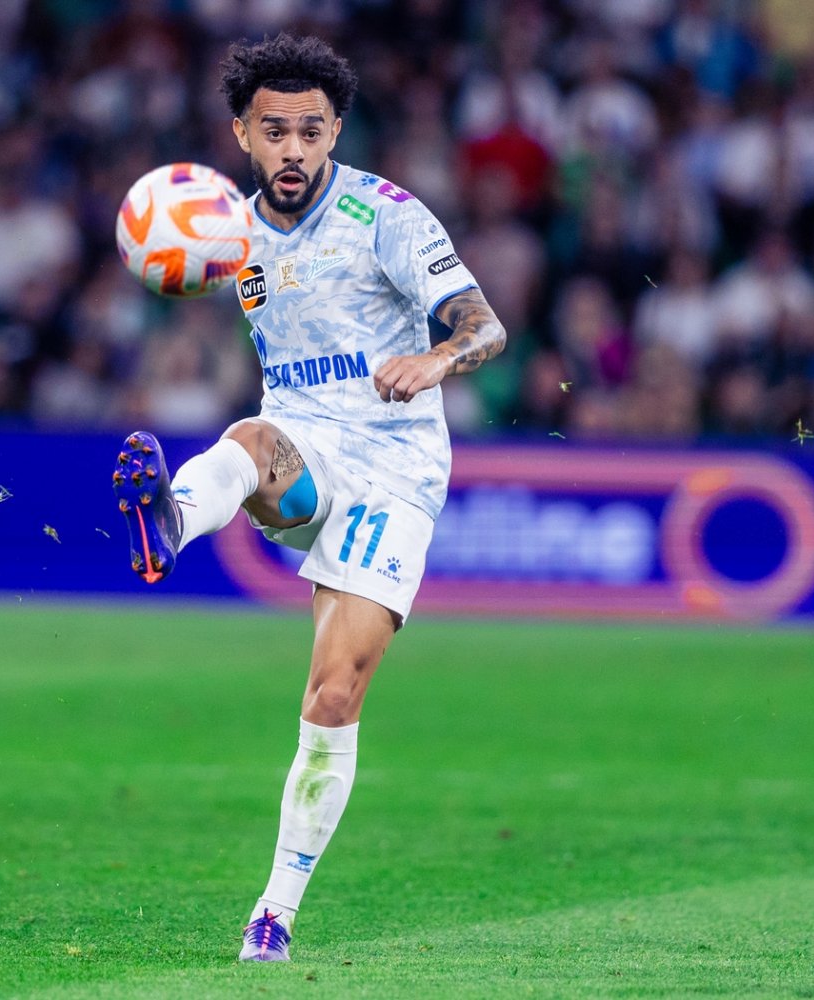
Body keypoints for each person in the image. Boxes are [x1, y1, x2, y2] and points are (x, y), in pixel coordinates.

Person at [111, 33, 506, 963]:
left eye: (312, 131)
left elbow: (486, 325)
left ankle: (274, 913)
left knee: (333, 694)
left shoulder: (387, 215)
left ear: (336, 132)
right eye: (275, 130)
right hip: (302, 450)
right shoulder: (226, 229)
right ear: (241, 133)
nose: (294, 149)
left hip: (395, 467)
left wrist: (437, 358)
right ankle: (171, 519)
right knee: (250, 439)